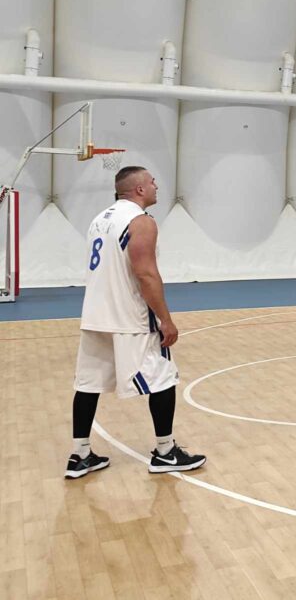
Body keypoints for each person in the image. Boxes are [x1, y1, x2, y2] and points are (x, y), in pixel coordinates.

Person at [66, 166, 206, 479]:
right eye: (152, 182)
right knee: (163, 378)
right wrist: (165, 319)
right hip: (129, 317)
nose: (157, 186)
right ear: (139, 189)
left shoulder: (99, 220)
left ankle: (80, 455)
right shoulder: (140, 221)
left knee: (88, 385)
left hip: (95, 315)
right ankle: (166, 452)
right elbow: (145, 274)